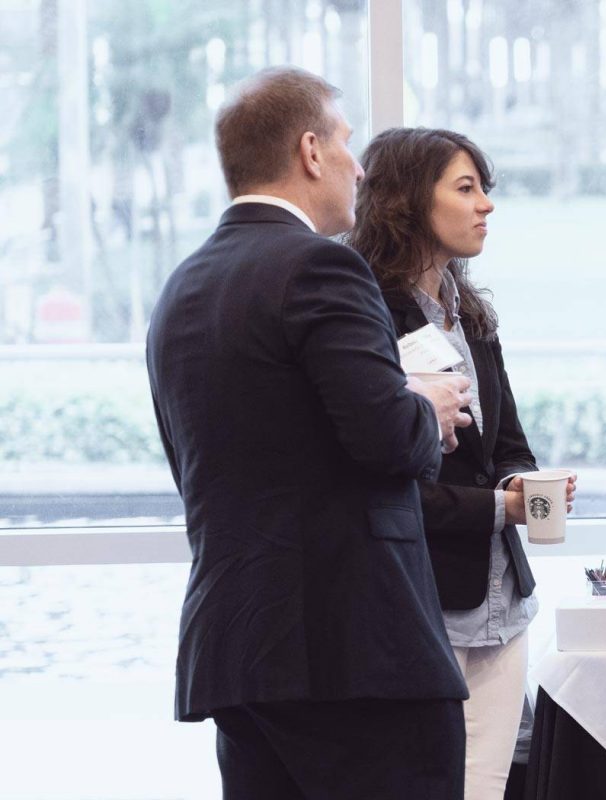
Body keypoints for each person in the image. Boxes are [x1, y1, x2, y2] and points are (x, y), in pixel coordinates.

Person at [145, 67, 475, 798]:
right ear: (310, 152)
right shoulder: (321, 266)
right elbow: (388, 439)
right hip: (354, 656)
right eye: (348, 143)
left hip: (238, 655)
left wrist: (396, 396)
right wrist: (426, 406)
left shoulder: (184, 284)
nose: (360, 166)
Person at [348, 126, 576, 800]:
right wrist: (496, 507)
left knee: (483, 785)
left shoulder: (469, 315)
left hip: (501, 600)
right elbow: (383, 479)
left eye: (486, 190)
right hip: (417, 598)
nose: (487, 207)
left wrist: (524, 488)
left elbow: (507, 444)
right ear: (410, 199)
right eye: (466, 188)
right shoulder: (364, 314)